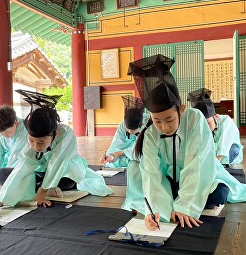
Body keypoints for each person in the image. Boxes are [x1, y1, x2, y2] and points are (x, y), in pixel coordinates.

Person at [127, 54, 246, 231]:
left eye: (169, 119)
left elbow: (197, 162)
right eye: (157, 121)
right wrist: (156, 211)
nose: (164, 127)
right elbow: (151, 173)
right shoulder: (151, 132)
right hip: (171, 179)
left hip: (200, 175)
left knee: (219, 194)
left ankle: (183, 201)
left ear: (181, 109)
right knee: (144, 180)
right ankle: (172, 203)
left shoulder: (194, 119)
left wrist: (185, 207)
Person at [0, 90, 113, 214]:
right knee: (3, 173)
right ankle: (45, 188)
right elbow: (23, 166)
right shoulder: (32, 140)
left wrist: (42, 192)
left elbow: (58, 163)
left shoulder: (65, 134)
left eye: (41, 142)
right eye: (31, 141)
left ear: (54, 134)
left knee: (66, 178)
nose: (36, 147)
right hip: (43, 174)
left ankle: (44, 188)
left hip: (65, 174)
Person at [187, 88, 243, 167]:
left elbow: (224, 145)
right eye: (203, 123)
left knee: (233, 149)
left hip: (229, 150)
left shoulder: (226, 121)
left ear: (216, 117)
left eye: (208, 122)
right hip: (214, 150)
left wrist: (214, 165)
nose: (206, 126)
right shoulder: (200, 125)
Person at [100, 95, 149, 168]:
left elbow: (143, 147)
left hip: (138, 151)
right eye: (128, 129)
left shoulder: (148, 124)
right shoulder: (122, 125)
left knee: (143, 158)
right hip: (126, 152)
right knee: (112, 158)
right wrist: (110, 155)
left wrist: (120, 153)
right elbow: (117, 143)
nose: (130, 132)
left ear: (141, 124)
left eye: (133, 130)